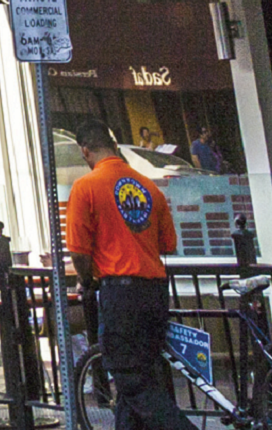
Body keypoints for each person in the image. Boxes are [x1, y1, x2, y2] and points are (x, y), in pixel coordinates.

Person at [66, 118, 194, 430]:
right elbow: (168, 244)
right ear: (114, 146)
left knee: (130, 379)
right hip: (155, 290)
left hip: (120, 293)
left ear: (85, 151)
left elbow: (79, 252)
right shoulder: (149, 187)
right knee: (142, 376)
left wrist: (87, 280)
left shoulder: (85, 187)